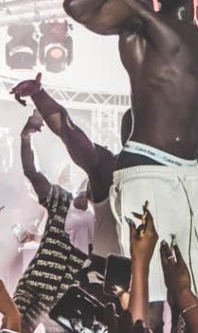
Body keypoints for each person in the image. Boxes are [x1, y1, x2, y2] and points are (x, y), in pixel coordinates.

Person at [63, 0, 198, 311]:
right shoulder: (141, 22)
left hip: (191, 177)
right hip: (148, 168)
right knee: (147, 303)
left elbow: (196, 119)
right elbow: (77, 6)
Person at [14, 72, 124, 255]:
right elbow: (33, 172)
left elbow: (69, 132)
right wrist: (26, 138)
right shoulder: (62, 202)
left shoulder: (99, 208)